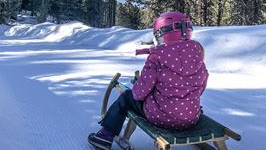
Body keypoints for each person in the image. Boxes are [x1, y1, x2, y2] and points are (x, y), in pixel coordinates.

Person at [88, 12, 209, 150]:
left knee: (127, 97)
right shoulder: (197, 53)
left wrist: (144, 89)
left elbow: (138, 94)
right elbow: (201, 86)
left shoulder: (157, 56)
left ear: (161, 34)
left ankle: (104, 136)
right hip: (191, 118)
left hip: (161, 117)